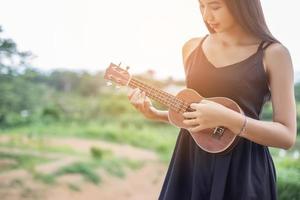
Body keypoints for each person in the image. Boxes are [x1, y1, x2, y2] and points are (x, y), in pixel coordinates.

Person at [127, 0, 297, 199]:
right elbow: (198, 118)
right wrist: (157, 115)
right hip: (191, 162)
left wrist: (228, 118)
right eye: (201, 6)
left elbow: (287, 136)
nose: (207, 16)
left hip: (243, 170)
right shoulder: (191, 48)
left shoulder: (274, 54)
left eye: (215, 6)